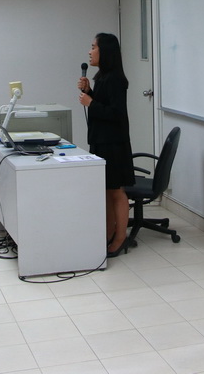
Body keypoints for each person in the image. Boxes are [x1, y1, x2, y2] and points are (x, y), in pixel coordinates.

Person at [77, 33, 135, 257]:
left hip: (113, 143)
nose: (90, 51)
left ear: (105, 51)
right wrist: (90, 92)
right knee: (106, 190)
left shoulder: (116, 79)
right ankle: (109, 233)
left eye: (94, 47)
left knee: (116, 191)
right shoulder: (102, 76)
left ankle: (120, 238)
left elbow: (116, 114)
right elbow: (104, 104)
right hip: (101, 140)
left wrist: (90, 102)